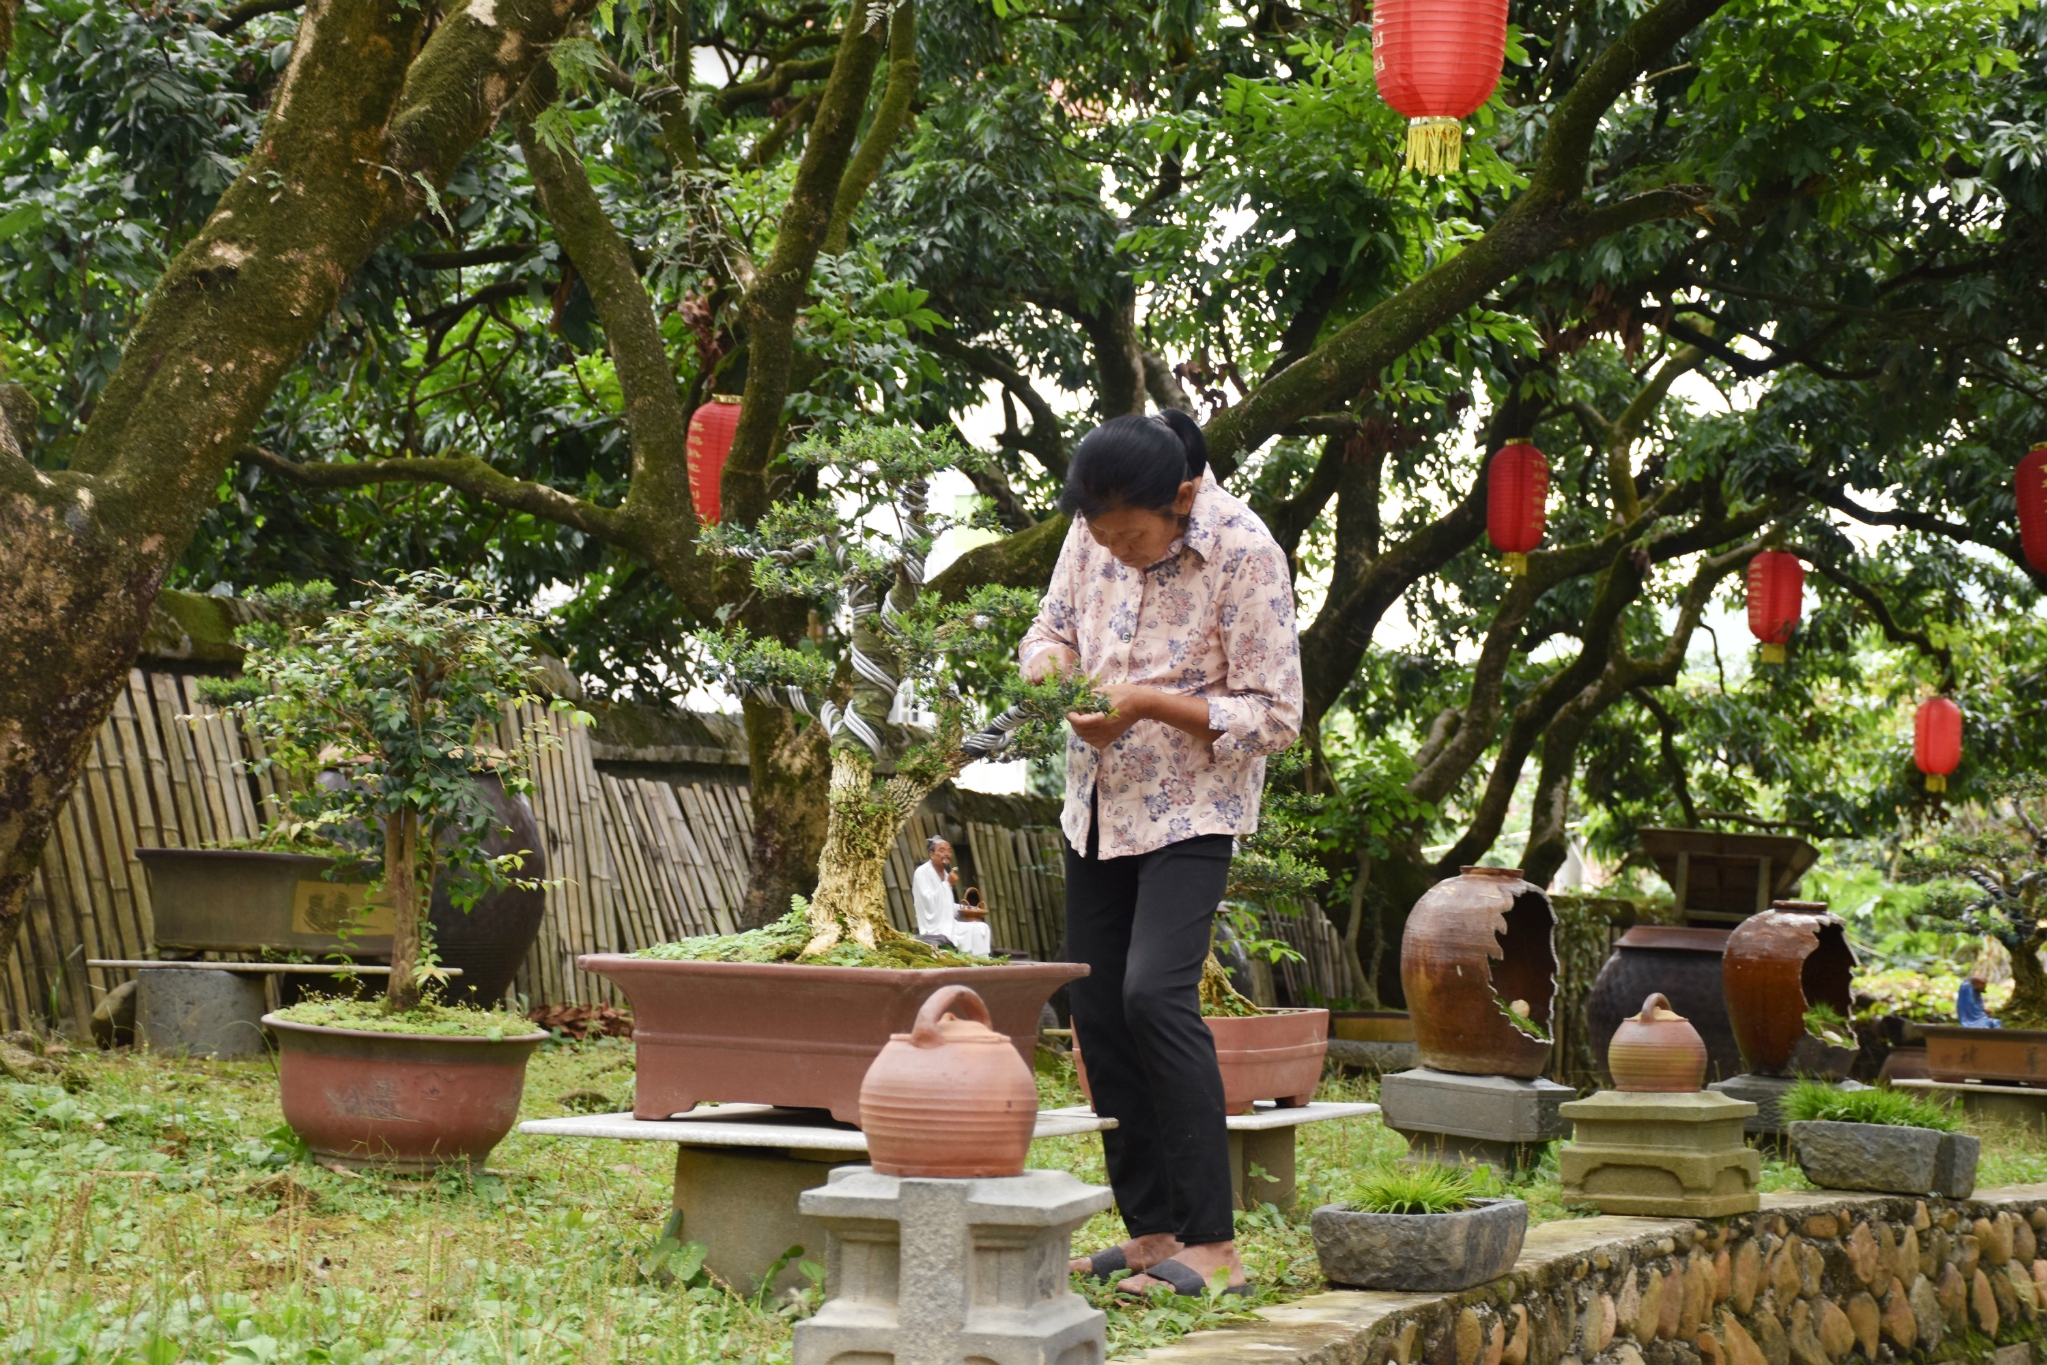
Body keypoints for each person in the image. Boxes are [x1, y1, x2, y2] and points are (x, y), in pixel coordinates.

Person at [1018, 408, 1301, 1299]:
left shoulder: (1246, 551)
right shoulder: (1091, 528)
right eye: (1102, 536)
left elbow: (1275, 716)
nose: (1116, 549)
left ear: (1179, 498)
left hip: (1192, 810)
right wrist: (1052, 678)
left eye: (1132, 536)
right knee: (1097, 1007)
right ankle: (1151, 1233)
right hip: (1093, 805)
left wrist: (1145, 701)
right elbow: (1047, 633)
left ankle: (1214, 1246)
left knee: (1153, 994)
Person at [911, 836, 961, 938]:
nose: (947, 854)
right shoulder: (921, 872)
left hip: (948, 922)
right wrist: (948, 884)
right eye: (942, 851)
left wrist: (963, 908)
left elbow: (946, 905)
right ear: (932, 854)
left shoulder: (946, 874)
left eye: (949, 851)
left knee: (980, 928)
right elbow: (929, 903)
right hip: (933, 926)